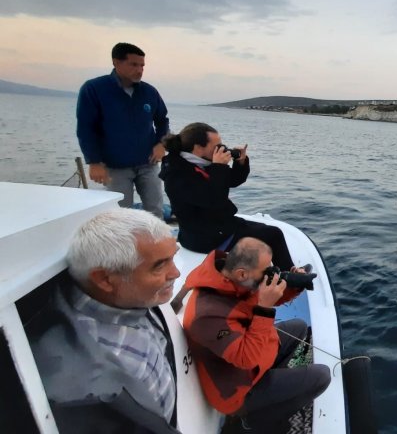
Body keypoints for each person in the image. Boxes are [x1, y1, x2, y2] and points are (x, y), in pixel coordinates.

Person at [25, 208, 181, 433]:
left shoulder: (129, 297)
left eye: (173, 258)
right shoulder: (91, 389)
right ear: (105, 279)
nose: (175, 273)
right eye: (160, 265)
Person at [182, 237, 331, 433]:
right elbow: (246, 359)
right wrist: (264, 309)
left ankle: (272, 384)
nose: (269, 276)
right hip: (238, 389)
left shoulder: (232, 277)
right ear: (242, 273)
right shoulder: (206, 315)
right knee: (321, 376)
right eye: (265, 273)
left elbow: (259, 294)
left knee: (299, 326)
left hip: (256, 359)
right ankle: (253, 422)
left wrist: (293, 285)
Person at [159, 122, 296, 271]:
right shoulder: (177, 174)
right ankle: (290, 276)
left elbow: (231, 181)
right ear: (198, 148)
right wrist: (219, 167)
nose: (221, 149)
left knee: (262, 229)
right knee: (274, 234)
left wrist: (240, 162)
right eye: (216, 145)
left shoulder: (196, 162)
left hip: (211, 226)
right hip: (207, 237)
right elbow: (214, 200)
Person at [76, 42, 170, 219]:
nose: (140, 70)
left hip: (148, 164)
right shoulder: (94, 89)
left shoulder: (149, 92)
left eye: (142, 65)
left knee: (155, 211)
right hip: (115, 167)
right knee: (120, 216)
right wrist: (94, 162)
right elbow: (85, 128)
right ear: (116, 62)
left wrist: (161, 143)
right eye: (134, 64)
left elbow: (162, 121)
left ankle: (156, 245)